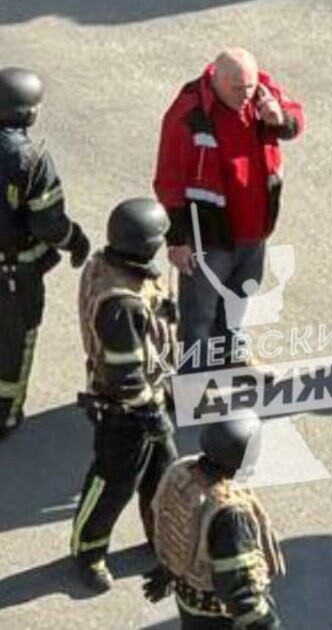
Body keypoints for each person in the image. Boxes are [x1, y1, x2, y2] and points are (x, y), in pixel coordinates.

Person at [154, 48, 305, 372]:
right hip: (208, 236)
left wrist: (280, 119)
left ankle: (231, 356)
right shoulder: (188, 113)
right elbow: (169, 180)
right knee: (199, 314)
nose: (246, 95)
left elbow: (295, 120)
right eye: (237, 88)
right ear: (217, 81)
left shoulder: (262, 92)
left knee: (238, 299)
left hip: (255, 231)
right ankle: (193, 379)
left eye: (249, 86)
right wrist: (177, 240)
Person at [71, 198, 178, 592]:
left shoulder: (112, 264)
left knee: (164, 472)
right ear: (146, 246)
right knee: (113, 483)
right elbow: (125, 375)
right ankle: (88, 550)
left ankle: (160, 539)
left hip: (149, 396)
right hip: (125, 411)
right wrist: (151, 414)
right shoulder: (120, 305)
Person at [0, 66, 90, 437]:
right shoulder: (31, 160)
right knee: (13, 346)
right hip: (14, 276)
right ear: (29, 112)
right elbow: (48, 224)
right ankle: (5, 415)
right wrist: (76, 240)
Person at [143, 413, 285, 629]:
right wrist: (267, 623)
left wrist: (168, 570)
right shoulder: (229, 513)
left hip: (188, 597)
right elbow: (237, 586)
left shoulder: (181, 472)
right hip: (218, 615)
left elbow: (171, 525)